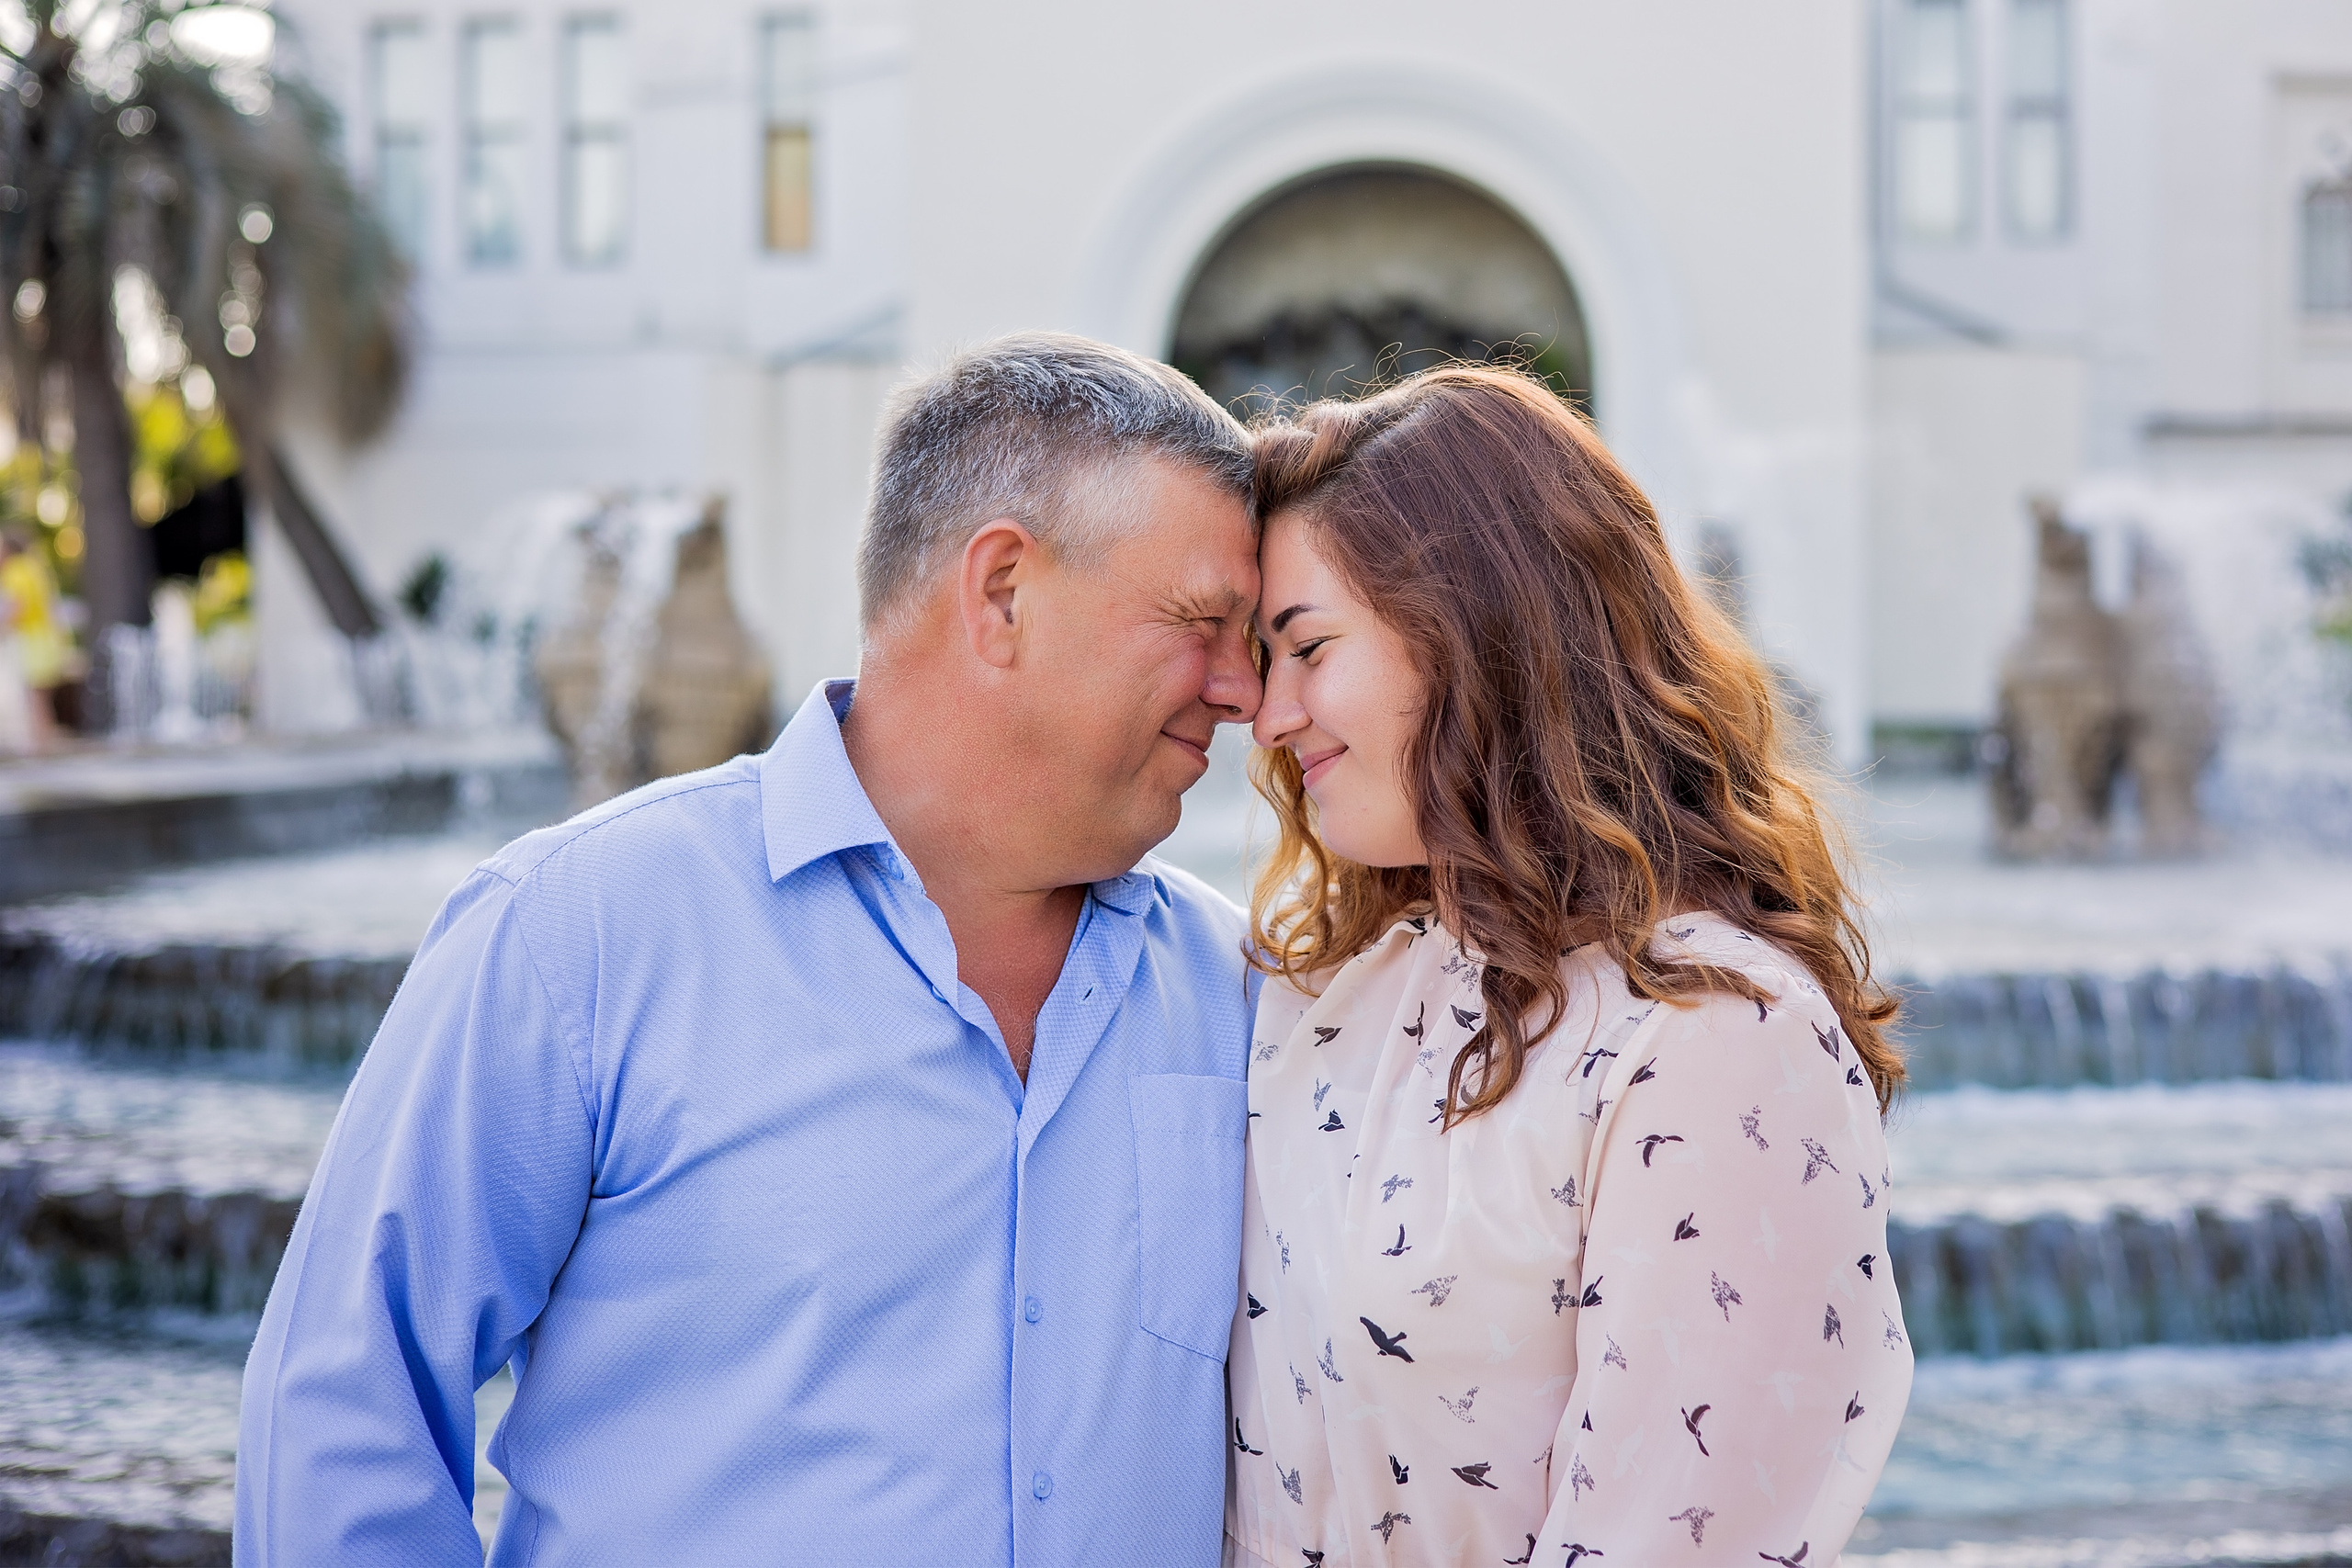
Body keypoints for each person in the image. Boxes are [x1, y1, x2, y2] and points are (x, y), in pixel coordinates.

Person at [237, 333, 1266, 1566]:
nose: (1244, 690)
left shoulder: (1241, 991)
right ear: (1001, 593)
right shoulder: (580, 935)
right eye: (1203, 620)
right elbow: (343, 1426)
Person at [1225, 367, 1913, 1567]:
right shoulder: (1329, 991)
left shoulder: (1711, 1032)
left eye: (1308, 650)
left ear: (1478, 629)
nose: (1270, 716)